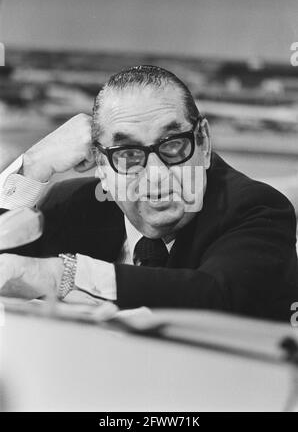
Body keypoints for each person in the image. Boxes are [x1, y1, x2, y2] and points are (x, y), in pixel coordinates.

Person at [0, 65, 297, 320]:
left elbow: (215, 296)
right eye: (128, 154)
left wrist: (61, 275)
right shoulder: (70, 204)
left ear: (204, 143)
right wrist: (34, 163)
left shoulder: (258, 209)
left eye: (173, 145)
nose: (156, 176)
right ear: (101, 166)